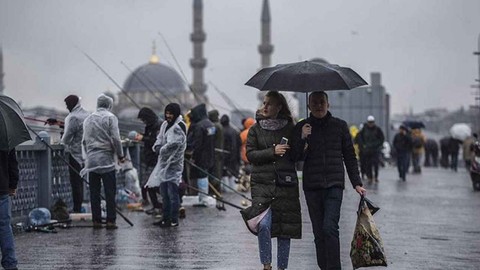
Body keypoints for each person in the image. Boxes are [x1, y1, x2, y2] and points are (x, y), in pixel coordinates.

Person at [291, 91, 366, 270]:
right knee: (318, 233)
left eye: (321, 102)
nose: (318, 105)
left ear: (328, 104)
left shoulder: (340, 126)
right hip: (312, 186)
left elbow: (349, 155)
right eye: (314, 102)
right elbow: (294, 156)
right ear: (308, 106)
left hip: (334, 185)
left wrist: (357, 183)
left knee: (329, 228)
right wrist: (302, 137)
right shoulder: (302, 127)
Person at [241, 91, 301, 270]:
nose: (265, 107)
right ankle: (267, 265)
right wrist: (272, 152)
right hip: (262, 184)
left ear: (279, 107)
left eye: (269, 104)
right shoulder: (255, 129)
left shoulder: (291, 129)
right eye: (264, 103)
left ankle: (282, 267)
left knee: (284, 229)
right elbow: (250, 155)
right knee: (264, 225)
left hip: (285, 184)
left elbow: (297, 156)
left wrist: (303, 138)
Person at [81, 94, 125, 229]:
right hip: (107, 161)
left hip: (92, 161)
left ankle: (97, 221)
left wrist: (88, 156)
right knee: (109, 191)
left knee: (94, 192)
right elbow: (116, 139)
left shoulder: (88, 119)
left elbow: (84, 141)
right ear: (109, 105)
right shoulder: (111, 118)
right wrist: (120, 155)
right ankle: (111, 220)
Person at [145, 103, 187, 228]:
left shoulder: (179, 126)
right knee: (164, 193)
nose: (168, 116)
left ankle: (174, 219)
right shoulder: (164, 124)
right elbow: (160, 138)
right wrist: (157, 146)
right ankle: (165, 218)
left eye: (170, 113)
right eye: (167, 113)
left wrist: (161, 149)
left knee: (172, 193)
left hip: (174, 164)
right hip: (163, 163)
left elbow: (174, 144)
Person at [61, 94, 90, 213]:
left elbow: (67, 138)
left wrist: (62, 139)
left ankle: (77, 209)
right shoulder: (87, 115)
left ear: (72, 104)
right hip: (87, 154)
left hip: (75, 155)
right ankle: (85, 206)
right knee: (85, 182)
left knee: (76, 183)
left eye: (68, 105)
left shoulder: (73, 117)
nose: (67, 107)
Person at [186, 103, 216, 206]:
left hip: (201, 156)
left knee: (201, 176)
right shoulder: (210, 124)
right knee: (205, 175)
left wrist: (194, 157)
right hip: (210, 154)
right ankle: (203, 197)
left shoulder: (199, 126)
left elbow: (197, 144)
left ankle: (203, 199)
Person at [136, 107, 163, 216]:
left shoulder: (158, 125)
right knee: (149, 184)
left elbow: (155, 141)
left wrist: (142, 138)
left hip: (155, 159)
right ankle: (156, 206)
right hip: (149, 158)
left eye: (144, 120)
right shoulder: (151, 125)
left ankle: (164, 204)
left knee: (152, 184)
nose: (144, 122)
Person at [0, 149, 19, 270]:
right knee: (4, 226)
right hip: (1, 186)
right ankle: (10, 263)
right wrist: (13, 184)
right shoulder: (5, 133)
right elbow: (12, 162)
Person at [357, 115, 384, 183]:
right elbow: (360, 138)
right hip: (367, 150)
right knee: (368, 164)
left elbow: (381, 139)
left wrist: (377, 145)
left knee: (375, 164)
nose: (370, 124)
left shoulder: (378, 129)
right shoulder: (364, 129)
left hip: (375, 150)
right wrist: (363, 146)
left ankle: (376, 177)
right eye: (369, 122)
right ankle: (369, 177)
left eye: (372, 122)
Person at [220, 114, 241, 192]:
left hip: (225, 155)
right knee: (232, 173)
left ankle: (227, 190)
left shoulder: (222, 131)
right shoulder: (235, 131)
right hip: (234, 156)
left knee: (224, 173)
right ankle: (232, 190)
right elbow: (239, 143)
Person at [208, 109, 224, 194]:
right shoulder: (219, 125)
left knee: (215, 171)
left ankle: (215, 189)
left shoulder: (214, 126)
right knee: (218, 171)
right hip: (219, 151)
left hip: (215, 152)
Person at [239, 117, 255, 192]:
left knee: (246, 172)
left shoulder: (243, 133)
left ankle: (245, 186)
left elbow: (239, 143)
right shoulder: (257, 132)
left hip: (245, 155)